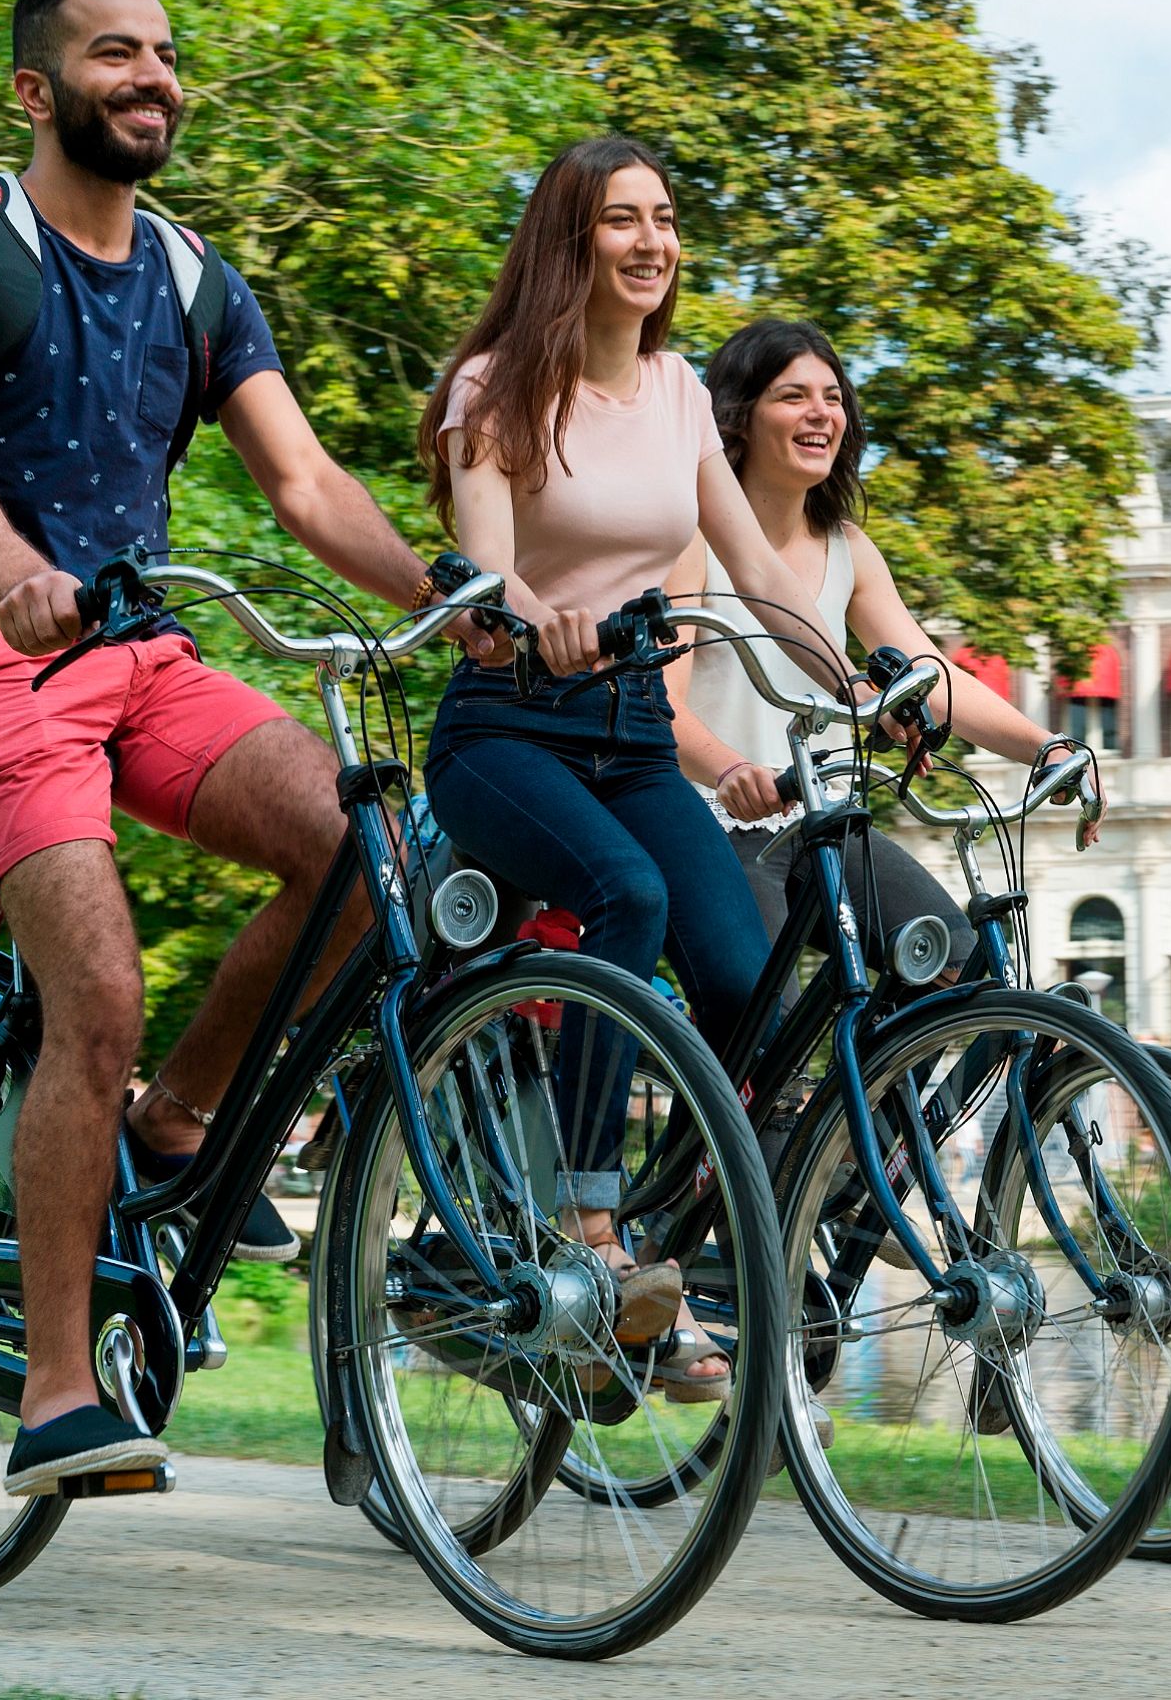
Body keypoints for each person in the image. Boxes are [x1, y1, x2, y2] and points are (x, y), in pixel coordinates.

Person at [0, 0, 481, 1496]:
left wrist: (453, 596)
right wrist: (14, 575)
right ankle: (59, 1392)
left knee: (367, 849)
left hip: (144, 661)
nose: (152, 78)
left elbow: (306, 484)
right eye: (113, 56)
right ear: (38, 90)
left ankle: (182, 1125)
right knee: (99, 987)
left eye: (162, 55)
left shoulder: (198, 277)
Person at [414, 138, 850, 1400]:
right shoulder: (496, 390)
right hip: (507, 727)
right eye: (623, 220)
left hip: (632, 738)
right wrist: (522, 605)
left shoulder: (671, 395)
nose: (653, 241)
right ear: (572, 240)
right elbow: (484, 559)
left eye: (665, 218)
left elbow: (764, 576)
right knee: (631, 896)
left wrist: (868, 682)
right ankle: (585, 1222)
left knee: (741, 973)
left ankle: (671, 1261)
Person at [661, 318, 1096, 972]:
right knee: (760, 1025)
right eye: (793, 396)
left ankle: (892, 1074)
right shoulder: (691, 539)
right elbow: (660, 705)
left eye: (833, 397)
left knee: (966, 967)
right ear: (738, 419)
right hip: (715, 824)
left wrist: (1048, 747)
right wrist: (732, 772)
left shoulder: (846, 547)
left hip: (826, 823)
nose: (821, 413)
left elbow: (931, 674)